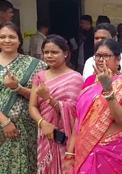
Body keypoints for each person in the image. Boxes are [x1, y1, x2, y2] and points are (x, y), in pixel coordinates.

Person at [65, 39, 122, 174]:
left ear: (118, 59)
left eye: (106, 56)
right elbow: (78, 119)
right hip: (85, 149)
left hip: (113, 152)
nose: (100, 59)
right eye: (97, 56)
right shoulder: (90, 82)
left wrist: (108, 89)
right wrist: (70, 153)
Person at [29, 35, 83, 174]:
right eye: (46, 52)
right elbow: (33, 106)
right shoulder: (40, 76)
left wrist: (49, 99)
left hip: (65, 137)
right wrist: (42, 123)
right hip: (45, 134)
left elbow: (76, 112)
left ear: (65, 53)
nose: (49, 56)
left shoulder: (75, 78)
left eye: (54, 52)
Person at [0, 22, 48, 173]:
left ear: (19, 40)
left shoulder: (35, 65)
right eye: (2, 37)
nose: (7, 40)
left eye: (12, 37)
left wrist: (18, 88)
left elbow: (41, 96)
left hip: (26, 129)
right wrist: (5, 122)